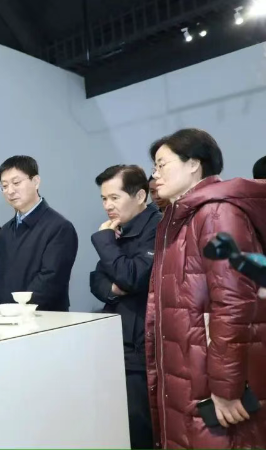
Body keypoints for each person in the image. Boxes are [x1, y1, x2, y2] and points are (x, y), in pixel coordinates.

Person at [147, 128, 266, 449]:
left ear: (193, 164)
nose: (155, 175)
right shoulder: (180, 218)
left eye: (162, 164)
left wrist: (227, 388)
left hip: (213, 385)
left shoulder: (216, 213)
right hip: (192, 375)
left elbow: (234, 303)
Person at [89, 165, 161, 449]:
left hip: (143, 345)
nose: (108, 205)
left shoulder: (156, 227)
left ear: (140, 196)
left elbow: (133, 277)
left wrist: (107, 244)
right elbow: (96, 280)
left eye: (114, 198)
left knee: (139, 427)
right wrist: (114, 287)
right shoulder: (119, 229)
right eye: (103, 199)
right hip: (117, 341)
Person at [0, 156, 78, 310]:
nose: (10, 191)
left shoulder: (59, 227)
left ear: (36, 181)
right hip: (5, 317)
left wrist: (17, 310)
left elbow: (50, 279)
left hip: (43, 317)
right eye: (4, 186)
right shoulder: (6, 230)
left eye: (16, 183)